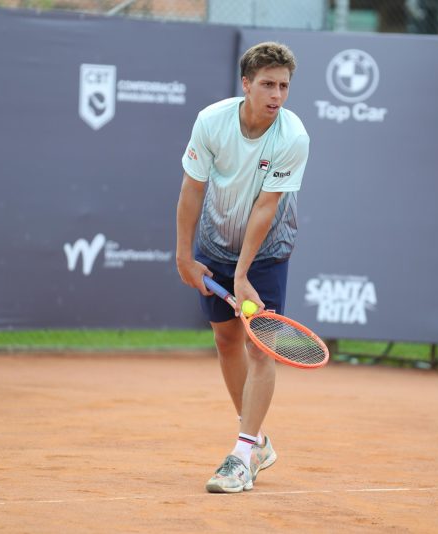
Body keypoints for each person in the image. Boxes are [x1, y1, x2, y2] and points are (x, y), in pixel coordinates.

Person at [175, 41, 310, 494]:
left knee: (260, 347)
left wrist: (242, 273)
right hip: (214, 240)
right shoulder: (211, 122)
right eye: (268, 84)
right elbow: (192, 190)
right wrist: (183, 255)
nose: (276, 95)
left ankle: (242, 452)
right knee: (227, 338)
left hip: (268, 248)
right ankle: (257, 442)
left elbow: (265, 208)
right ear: (246, 84)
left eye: (284, 86)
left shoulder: (292, 136)